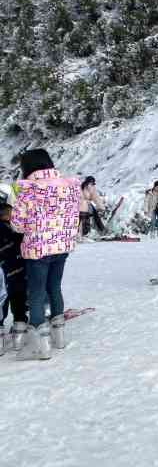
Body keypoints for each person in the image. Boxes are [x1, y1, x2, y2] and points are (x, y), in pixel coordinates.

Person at [11, 149, 80, 360]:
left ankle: (41, 343)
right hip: (62, 246)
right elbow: (75, 217)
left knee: (37, 291)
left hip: (38, 248)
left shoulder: (28, 189)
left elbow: (17, 225)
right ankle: (58, 336)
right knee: (54, 287)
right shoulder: (68, 186)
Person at [0, 187, 27, 354]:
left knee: (2, 303)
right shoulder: (14, 230)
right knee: (19, 302)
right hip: (17, 272)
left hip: (3, 276)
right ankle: (19, 335)